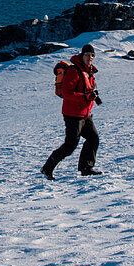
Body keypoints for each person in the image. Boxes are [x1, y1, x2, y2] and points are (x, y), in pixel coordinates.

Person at [41, 44, 102, 179]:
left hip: (85, 114)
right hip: (73, 114)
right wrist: (85, 97)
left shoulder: (89, 72)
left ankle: (86, 167)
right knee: (70, 145)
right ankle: (47, 168)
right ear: (81, 55)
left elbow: (87, 90)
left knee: (93, 138)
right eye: (87, 54)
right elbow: (67, 93)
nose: (90, 57)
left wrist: (92, 97)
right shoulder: (75, 71)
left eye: (92, 55)